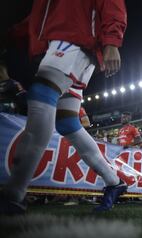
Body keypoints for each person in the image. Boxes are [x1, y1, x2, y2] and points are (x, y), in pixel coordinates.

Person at [0, 0, 127, 214]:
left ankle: (14, 193)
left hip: (73, 43)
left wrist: (112, 41)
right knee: (67, 123)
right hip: (66, 45)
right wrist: (12, 35)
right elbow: (41, 18)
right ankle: (114, 182)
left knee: (41, 96)